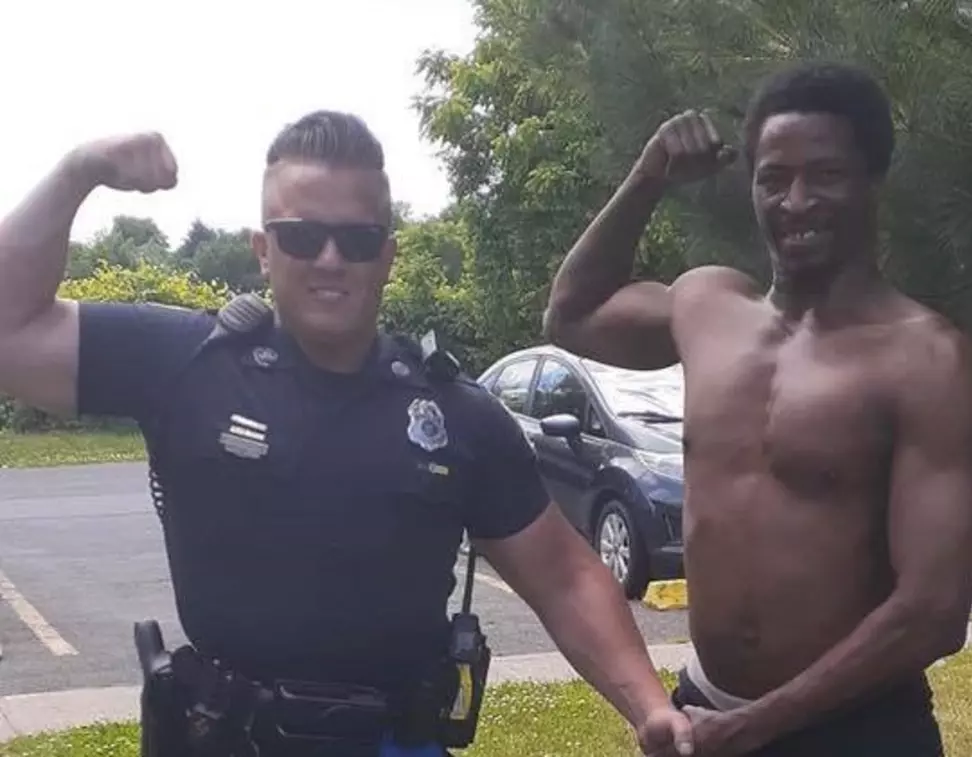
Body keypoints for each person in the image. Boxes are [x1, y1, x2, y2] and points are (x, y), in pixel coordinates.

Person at [0, 110, 693, 757]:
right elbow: (10, 331)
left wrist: (649, 706)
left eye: (356, 240)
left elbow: (565, 577)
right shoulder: (184, 362)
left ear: (388, 255)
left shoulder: (455, 413)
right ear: (263, 249)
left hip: (394, 738)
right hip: (227, 737)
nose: (330, 257)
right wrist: (78, 171)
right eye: (302, 235)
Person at [543, 61, 972, 756]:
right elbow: (571, 315)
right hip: (706, 710)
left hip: (858, 733)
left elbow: (933, 612)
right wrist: (647, 176)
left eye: (825, 175)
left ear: (873, 182)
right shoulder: (708, 305)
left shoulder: (927, 359)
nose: (796, 201)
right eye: (773, 178)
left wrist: (752, 728)